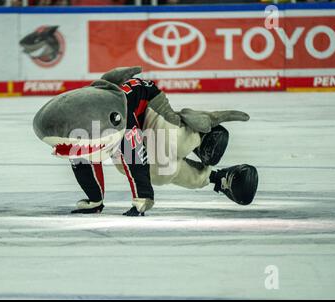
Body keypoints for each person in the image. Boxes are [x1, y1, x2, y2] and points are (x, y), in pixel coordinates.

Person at [33, 67, 258, 216]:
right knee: (162, 172)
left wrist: (142, 200)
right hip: (118, 122)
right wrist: (94, 201)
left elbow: (135, 160)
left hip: (146, 103)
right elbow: (83, 162)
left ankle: (199, 134)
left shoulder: (115, 121)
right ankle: (217, 178)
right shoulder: (80, 131)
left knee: (172, 143)